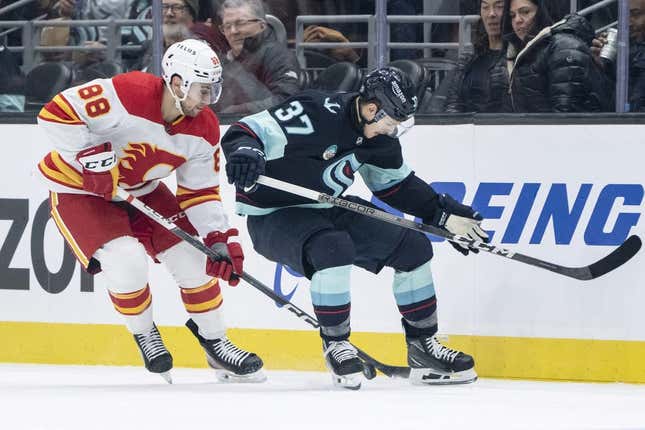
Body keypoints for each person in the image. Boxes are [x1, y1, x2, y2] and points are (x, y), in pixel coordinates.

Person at [220, 67, 489, 389]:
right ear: (372, 109)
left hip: (327, 208)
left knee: (414, 248)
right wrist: (246, 151)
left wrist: (439, 212)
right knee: (333, 248)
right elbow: (244, 131)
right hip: (273, 214)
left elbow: (396, 186)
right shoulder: (315, 112)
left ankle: (423, 348)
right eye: (390, 123)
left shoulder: (380, 141)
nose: (392, 131)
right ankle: (336, 344)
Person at [35, 39, 264, 383]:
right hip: (80, 189)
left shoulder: (204, 128)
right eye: (203, 91)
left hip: (142, 190)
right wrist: (90, 157)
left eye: (213, 91)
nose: (208, 101)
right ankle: (145, 332)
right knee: (126, 259)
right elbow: (54, 113)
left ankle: (216, 342)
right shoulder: (127, 92)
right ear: (176, 83)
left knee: (193, 256)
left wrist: (219, 238)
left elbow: (199, 191)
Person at [502, 0, 610, 112]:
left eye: (525, 12)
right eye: (512, 15)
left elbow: (565, 119)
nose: (517, 20)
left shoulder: (563, 47)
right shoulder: (521, 53)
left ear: (544, 11)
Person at [213, 0, 300, 115]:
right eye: (227, 26)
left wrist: (234, 112)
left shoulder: (278, 56)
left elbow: (287, 100)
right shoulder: (223, 61)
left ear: (262, 25)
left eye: (240, 23)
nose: (233, 31)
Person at [445, 0, 511, 113]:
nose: (491, 14)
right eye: (485, 7)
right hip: (465, 127)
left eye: (499, 7)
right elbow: (452, 105)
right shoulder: (468, 61)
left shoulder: (520, 59)